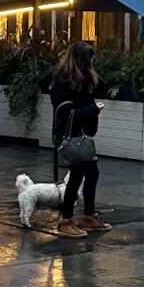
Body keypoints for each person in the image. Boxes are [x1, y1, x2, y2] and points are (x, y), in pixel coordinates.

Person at [51, 41, 112, 238]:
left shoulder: (84, 79)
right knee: (76, 177)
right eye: (88, 59)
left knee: (92, 174)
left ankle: (89, 216)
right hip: (72, 135)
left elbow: (104, 86)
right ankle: (65, 220)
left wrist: (91, 75)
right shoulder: (64, 82)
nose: (90, 62)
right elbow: (66, 113)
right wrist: (93, 109)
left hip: (84, 135)